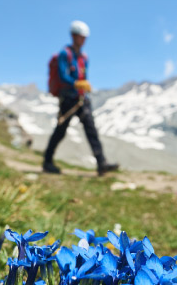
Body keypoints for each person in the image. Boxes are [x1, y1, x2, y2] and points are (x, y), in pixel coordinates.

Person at [42, 21, 119, 176]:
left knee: (91, 130)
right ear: (74, 36)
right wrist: (77, 84)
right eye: (80, 37)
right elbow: (63, 76)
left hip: (82, 99)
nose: (83, 40)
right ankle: (47, 161)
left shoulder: (84, 57)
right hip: (68, 99)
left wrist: (84, 88)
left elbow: (84, 76)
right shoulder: (65, 54)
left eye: (84, 37)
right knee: (60, 131)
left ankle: (101, 164)